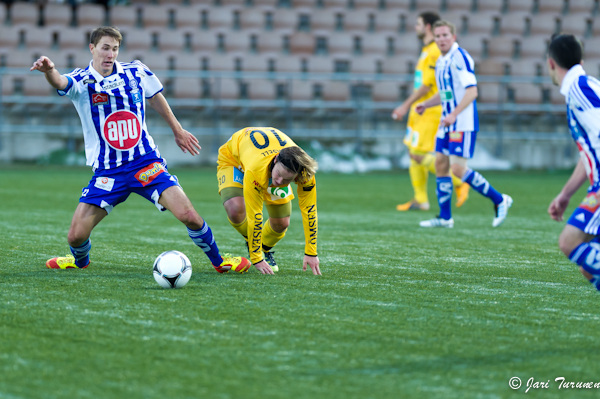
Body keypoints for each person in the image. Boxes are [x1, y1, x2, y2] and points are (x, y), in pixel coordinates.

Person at [31, 26, 250, 273]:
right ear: (92, 48)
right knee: (75, 237)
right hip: (108, 172)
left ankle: (220, 261)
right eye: (105, 48)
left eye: (114, 49)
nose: (110, 54)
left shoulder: (135, 71)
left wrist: (177, 129)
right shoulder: (82, 81)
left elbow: (155, 96)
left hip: (145, 163)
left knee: (189, 214)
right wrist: (50, 70)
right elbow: (60, 81)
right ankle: (80, 261)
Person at [414, 20, 512, 228]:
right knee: (440, 163)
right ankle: (445, 217)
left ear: (453, 37)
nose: (441, 39)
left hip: (462, 123)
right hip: (447, 122)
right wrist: (426, 104)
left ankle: (500, 199)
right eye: (438, 36)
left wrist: (454, 115)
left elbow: (472, 91)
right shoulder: (441, 60)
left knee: (457, 170)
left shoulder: (460, 58)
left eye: (445, 35)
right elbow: (446, 93)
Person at [392, 11, 469, 212]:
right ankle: (421, 200)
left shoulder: (435, 50)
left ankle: (460, 180)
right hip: (421, 111)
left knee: (418, 154)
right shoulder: (428, 49)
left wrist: (404, 105)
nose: (415, 27)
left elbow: (427, 86)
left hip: (430, 111)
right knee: (412, 152)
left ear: (427, 26)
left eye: (418, 24)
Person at [217, 127, 321, 276]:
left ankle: (264, 247)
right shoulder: (256, 170)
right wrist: (256, 258)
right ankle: (256, 246)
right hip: (234, 160)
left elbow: (310, 210)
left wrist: (311, 252)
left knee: (281, 223)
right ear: (276, 159)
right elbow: (255, 215)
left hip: (263, 160)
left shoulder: (305, 172)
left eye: (287, 180)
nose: (278, 182)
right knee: (235, 209)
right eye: (278, 175)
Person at [546, 33, 600, 291]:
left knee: (569, 241)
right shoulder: (585, 86)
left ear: (551, 64)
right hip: (595, 184)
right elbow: (589, 150)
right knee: (587, 267)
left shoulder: (579, 90)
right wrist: (566, 194)